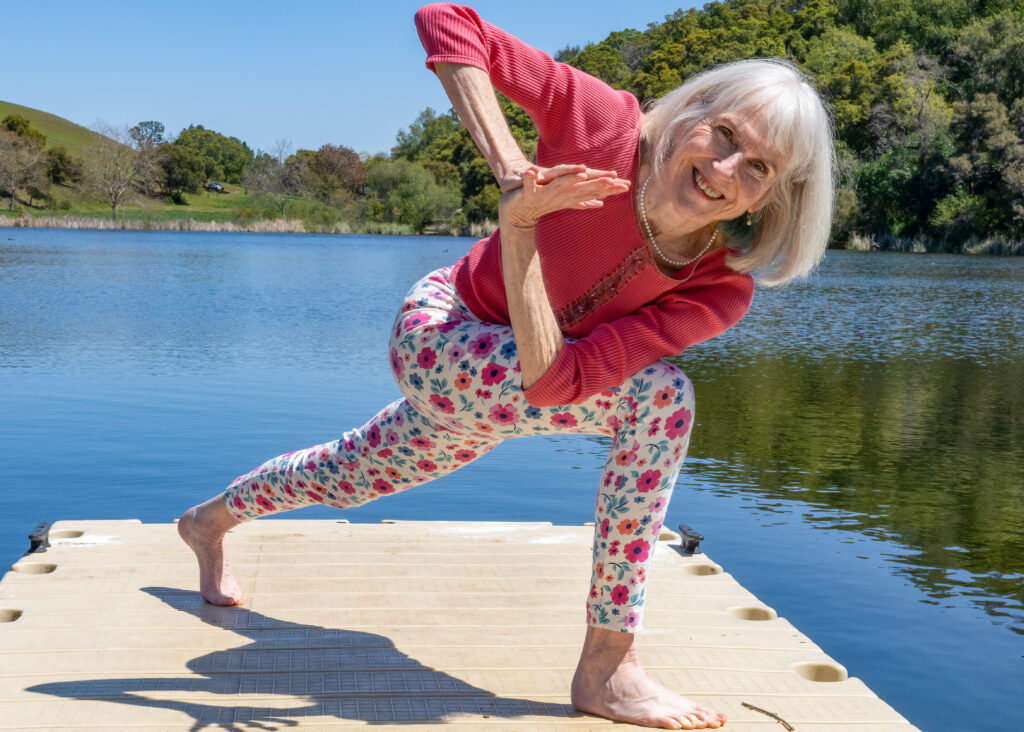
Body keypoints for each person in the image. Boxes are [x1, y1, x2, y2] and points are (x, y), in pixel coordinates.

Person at [178, 3, 835, 729]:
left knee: (350, 475)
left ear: (773, 195)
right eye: (726, 134)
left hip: (515, 382)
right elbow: (446, 21)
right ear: (693, 112)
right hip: (441, 332)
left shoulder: (718, 287)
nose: (725, 168)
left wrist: (520, 229)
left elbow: (556, 384)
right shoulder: (605, 125)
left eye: (760, 166)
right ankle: (609, 668)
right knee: (662, 402)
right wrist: (512, 174)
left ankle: (209, 522)